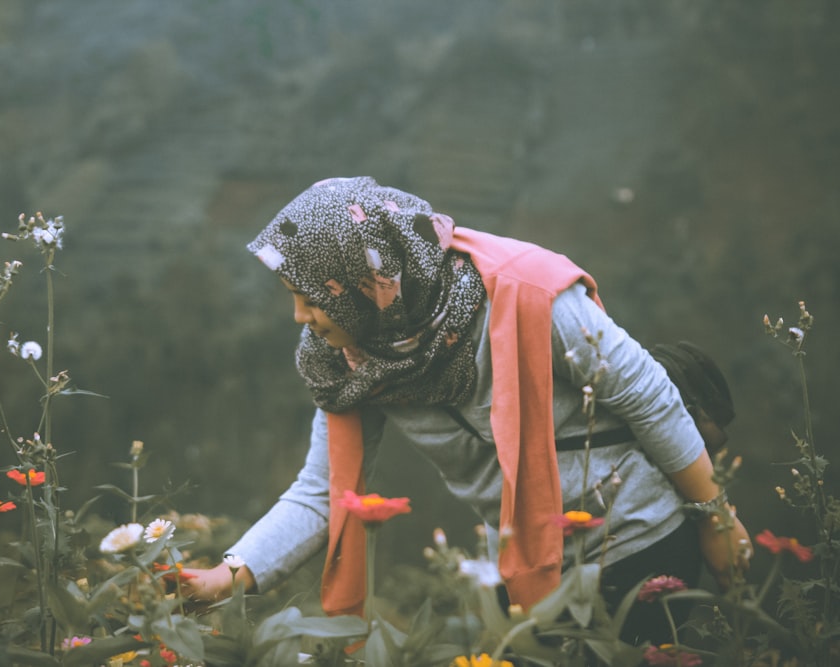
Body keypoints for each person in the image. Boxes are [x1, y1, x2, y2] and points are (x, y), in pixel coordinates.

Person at [182, 177, 751, 644]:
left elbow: (648, 396)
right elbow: (321, 490)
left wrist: (716, 520)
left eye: (311, 297)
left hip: (636, 541)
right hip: (524, 567)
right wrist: (223, 578)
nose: (301, 317)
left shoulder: (527, 295)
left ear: (364, 283)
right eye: (292, 296)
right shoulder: (350, 359)